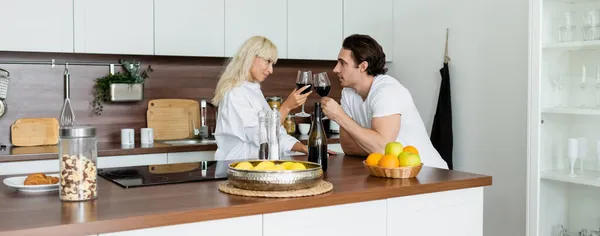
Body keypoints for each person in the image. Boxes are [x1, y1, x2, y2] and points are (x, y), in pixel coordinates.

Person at [320, 34, 449, 169]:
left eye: (342, 63)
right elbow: (348, 146)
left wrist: (340, 116)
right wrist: (375, 144)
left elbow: (382, 148)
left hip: (427, 172)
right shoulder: (348, 93)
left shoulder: (387, 91)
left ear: (363, 66)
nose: (335, 69)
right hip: (392, 171)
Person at [212, 35, 311, 160]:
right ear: (251, 57)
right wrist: (286, 107)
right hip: (237, 167)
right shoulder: (234, 93)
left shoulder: (254, 90)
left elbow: (277, 134)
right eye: (268, 61)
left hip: (256, 167)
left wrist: (304, 148)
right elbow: (262, 135)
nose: (271, 70)